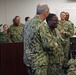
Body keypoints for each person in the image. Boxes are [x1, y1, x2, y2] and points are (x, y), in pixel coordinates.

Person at [22, 3, 59, 75]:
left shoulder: (27, 23)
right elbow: (48, 45)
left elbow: (23, 39)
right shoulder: (42, 25)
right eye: (48, 12)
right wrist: (55, 44)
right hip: (39, 62)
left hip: (28, 60)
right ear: (45, 12)